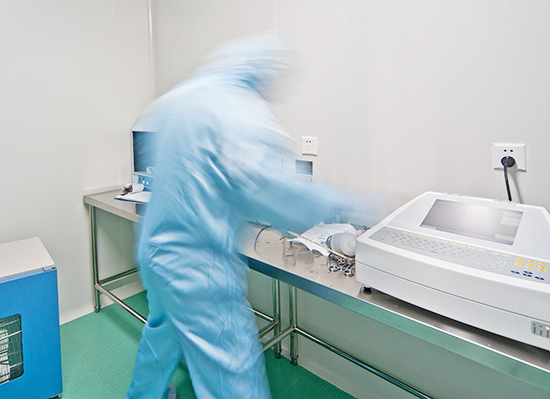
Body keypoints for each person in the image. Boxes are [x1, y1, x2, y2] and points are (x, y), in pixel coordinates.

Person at [126, 34, 386, 399]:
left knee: (162, 332)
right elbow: (275, 192)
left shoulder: (180, 98)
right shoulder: (237, 110)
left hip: (154, 251)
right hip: (196, 266)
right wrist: (359, 203)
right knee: (231, 371)